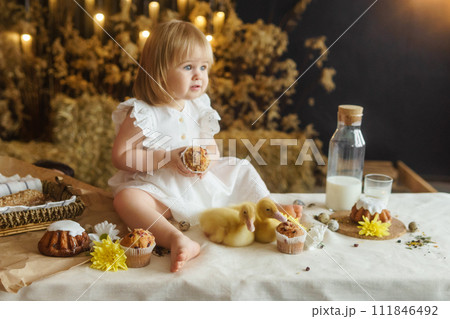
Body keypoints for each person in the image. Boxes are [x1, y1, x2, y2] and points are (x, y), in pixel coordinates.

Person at [108, 20, 271, 272]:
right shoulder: (143, 112)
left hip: (197, 182)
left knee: (240, 167)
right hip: (159, 186)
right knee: (127, 199)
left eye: (204, 67)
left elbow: (211, 148)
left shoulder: (200, 105)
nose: (199, 75)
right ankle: (176, 239)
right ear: (159, 71)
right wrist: (167, 157)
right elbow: (121, 156)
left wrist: (207, 160)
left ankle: (268, 210)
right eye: (188, 67)